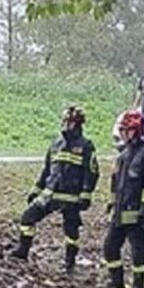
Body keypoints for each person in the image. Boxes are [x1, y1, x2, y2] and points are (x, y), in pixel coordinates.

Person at [10, 106, 99, 272]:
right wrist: (36, 189)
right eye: (64, 121)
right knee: (28, 217)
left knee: (71, 230)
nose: (65, 125)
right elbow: (47, 170)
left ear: (78, 124)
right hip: (50, 193)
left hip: (71, 196)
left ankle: (69, 263)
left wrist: (86, 193)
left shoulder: (86, 145)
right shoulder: (56, 144)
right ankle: (22, 251)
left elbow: (91, 172)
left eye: (69, 122)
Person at [103, 111, 144, 288]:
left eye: (125, 130)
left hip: (136, 215)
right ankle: (117, 285)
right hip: (120, 214)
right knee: (110, 248)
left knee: (138, 252)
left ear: (135, 131)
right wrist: (112, 204)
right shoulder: (123, 155)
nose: (122, 134)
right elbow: (115, 183)